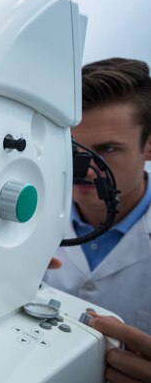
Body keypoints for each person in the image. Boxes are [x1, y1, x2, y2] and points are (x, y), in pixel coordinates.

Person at [44, 57, 151, 382]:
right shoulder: (31, 219)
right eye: (73, 149)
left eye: (107, 149)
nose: (85, 168)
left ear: (149, 146)